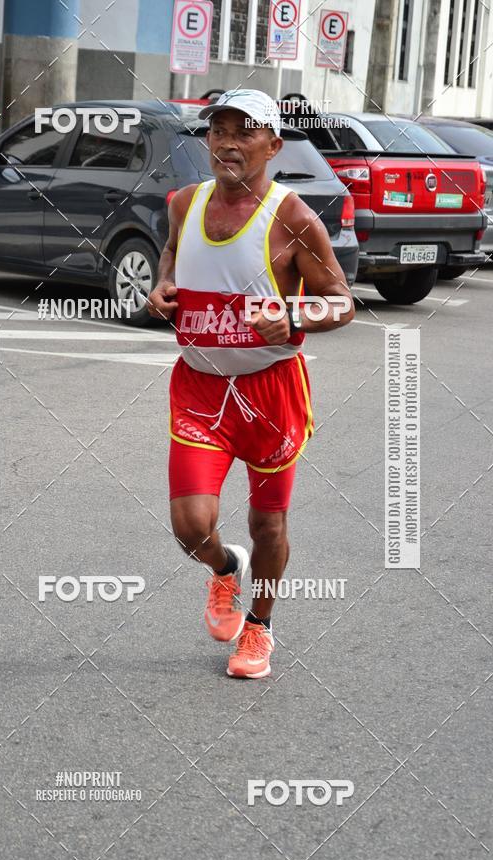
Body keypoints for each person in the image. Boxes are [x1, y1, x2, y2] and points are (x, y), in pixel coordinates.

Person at [148, 88, 354, 679]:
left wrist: (293, 317)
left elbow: (340, 303)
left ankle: (260, 627)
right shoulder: (184, 203)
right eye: (219, 131)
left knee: (268, 523)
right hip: (201, 388)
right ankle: (222, 568)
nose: (229, 143)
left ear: (273, 144)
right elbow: (169, 256)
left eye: (245, 132)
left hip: (270, 390)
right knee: (191, 529)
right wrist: (163, 288)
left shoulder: (292, 219)